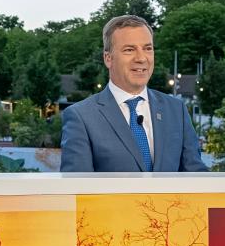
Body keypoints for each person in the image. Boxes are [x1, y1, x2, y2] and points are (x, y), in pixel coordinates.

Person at [60, 15, 207, 172]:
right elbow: (78, 189)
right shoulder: (81, 117)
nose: (141, 58)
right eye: (129, 50)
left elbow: (195, 176)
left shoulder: (176, 110)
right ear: (108, 58)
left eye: (147, 48)